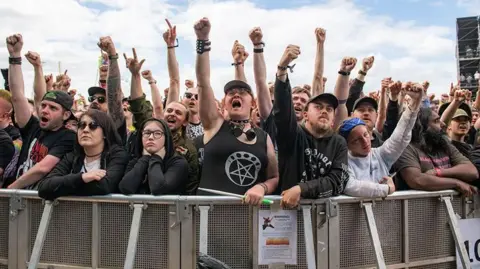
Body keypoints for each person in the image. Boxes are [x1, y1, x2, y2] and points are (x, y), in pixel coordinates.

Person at [193, 17, 279, 205]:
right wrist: (202, 41)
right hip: (208, 217)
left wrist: (261, 187)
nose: (236, 95)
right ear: (224, 103)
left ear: (253, 103)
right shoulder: (214, 125)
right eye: (231, 93)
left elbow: (273, 177)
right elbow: (203, 82)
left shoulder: (264, 137)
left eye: (242, 92)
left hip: (248, 220)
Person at [273, 45, 349, 208]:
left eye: (329, 109)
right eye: (318, 107)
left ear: (333, 118)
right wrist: (282, 69)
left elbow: (337, 181)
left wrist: (301, 189)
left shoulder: (339, 143)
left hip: (323, 219)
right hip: (287, 214)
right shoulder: (293, 134)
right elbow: (283, 110)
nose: (324, 111)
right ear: (305, 114)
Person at [5, 33, 76, 190]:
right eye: (43, 105)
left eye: (53, 108)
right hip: (19, 200)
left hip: (41, 204)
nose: (44, 110)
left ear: (65, 115)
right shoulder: (34, 127)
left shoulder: (69, 137)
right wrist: (15, 56)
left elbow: (42, 168)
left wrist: (11, 190)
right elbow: (17, 97)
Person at [340, 84, 422, 197]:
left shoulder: (380, 155)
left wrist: (414, 104)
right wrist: (386, 189)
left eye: (365, 135)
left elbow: (401, 136)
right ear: (347, 145)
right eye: (356, 140)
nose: (365, 142)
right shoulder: (344, 161)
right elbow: (350, 186)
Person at [38, 109, 128, 200]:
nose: (85, 130)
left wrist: (62, 188)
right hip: (74, 213)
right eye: (81, 125)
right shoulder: (72, 157)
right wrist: (82, 177)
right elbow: (44, 187)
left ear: (105, 133)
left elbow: (105, 186)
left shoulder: (118, 155)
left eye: (93, 126)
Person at [394, 107, 479, 196]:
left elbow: (471, 171)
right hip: (415, 208)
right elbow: (417, 180)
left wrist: (438, 172)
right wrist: (456, 183)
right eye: (436, 121)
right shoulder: (405, 148)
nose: (443, 124)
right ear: (421, 126)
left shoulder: (443, 142)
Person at [119, 118, 189, 195]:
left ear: (166, 138)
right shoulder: (135, 161)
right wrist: (145, 159)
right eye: (147, 133)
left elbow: (158, 188)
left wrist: (156, 158)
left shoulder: (178, 163)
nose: (151, 137)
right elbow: (125, 188)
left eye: (157, 133)